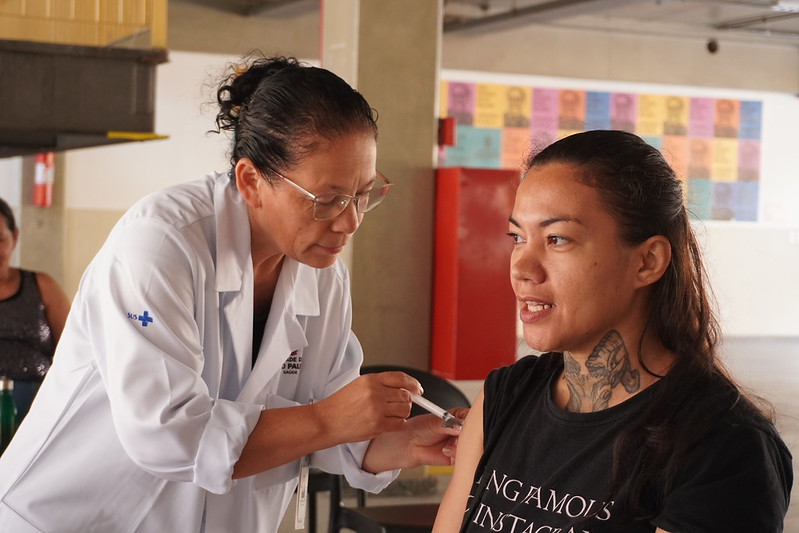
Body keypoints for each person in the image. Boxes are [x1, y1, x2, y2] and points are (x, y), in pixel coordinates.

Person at [0, 55, 464, 533]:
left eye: (363, 195)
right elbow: (168, 435)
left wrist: (401, 441)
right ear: (251, 181)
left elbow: (327, 424)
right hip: (65, 520)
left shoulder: (323, 275)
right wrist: (329, 419)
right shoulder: (162, 243)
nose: (349, 222)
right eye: (327, 200)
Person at [433, 130, 792, 533]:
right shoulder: (505, 395)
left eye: (557, 239)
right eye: (518, 237)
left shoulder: (721, 446)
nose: (521, 268)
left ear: (647, 262)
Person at [0, 197, 70, 424]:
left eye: (0, 239)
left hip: (38, 406)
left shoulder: (42, 286)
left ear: (15, 237)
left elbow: (74, 348)